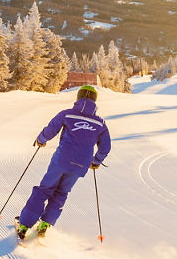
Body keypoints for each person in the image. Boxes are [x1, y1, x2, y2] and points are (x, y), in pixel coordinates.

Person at [16, 84, 112, 239]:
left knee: (45, 189)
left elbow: (51, 128)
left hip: (62, 159)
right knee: (61, 192)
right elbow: (105, 147)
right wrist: (96, 161)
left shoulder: (67, 114)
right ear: (95, 100)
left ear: (78, 97)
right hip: (81, 165)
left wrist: (41, 140)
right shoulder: (100, 123)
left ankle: (25, 225)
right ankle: (45, 224)